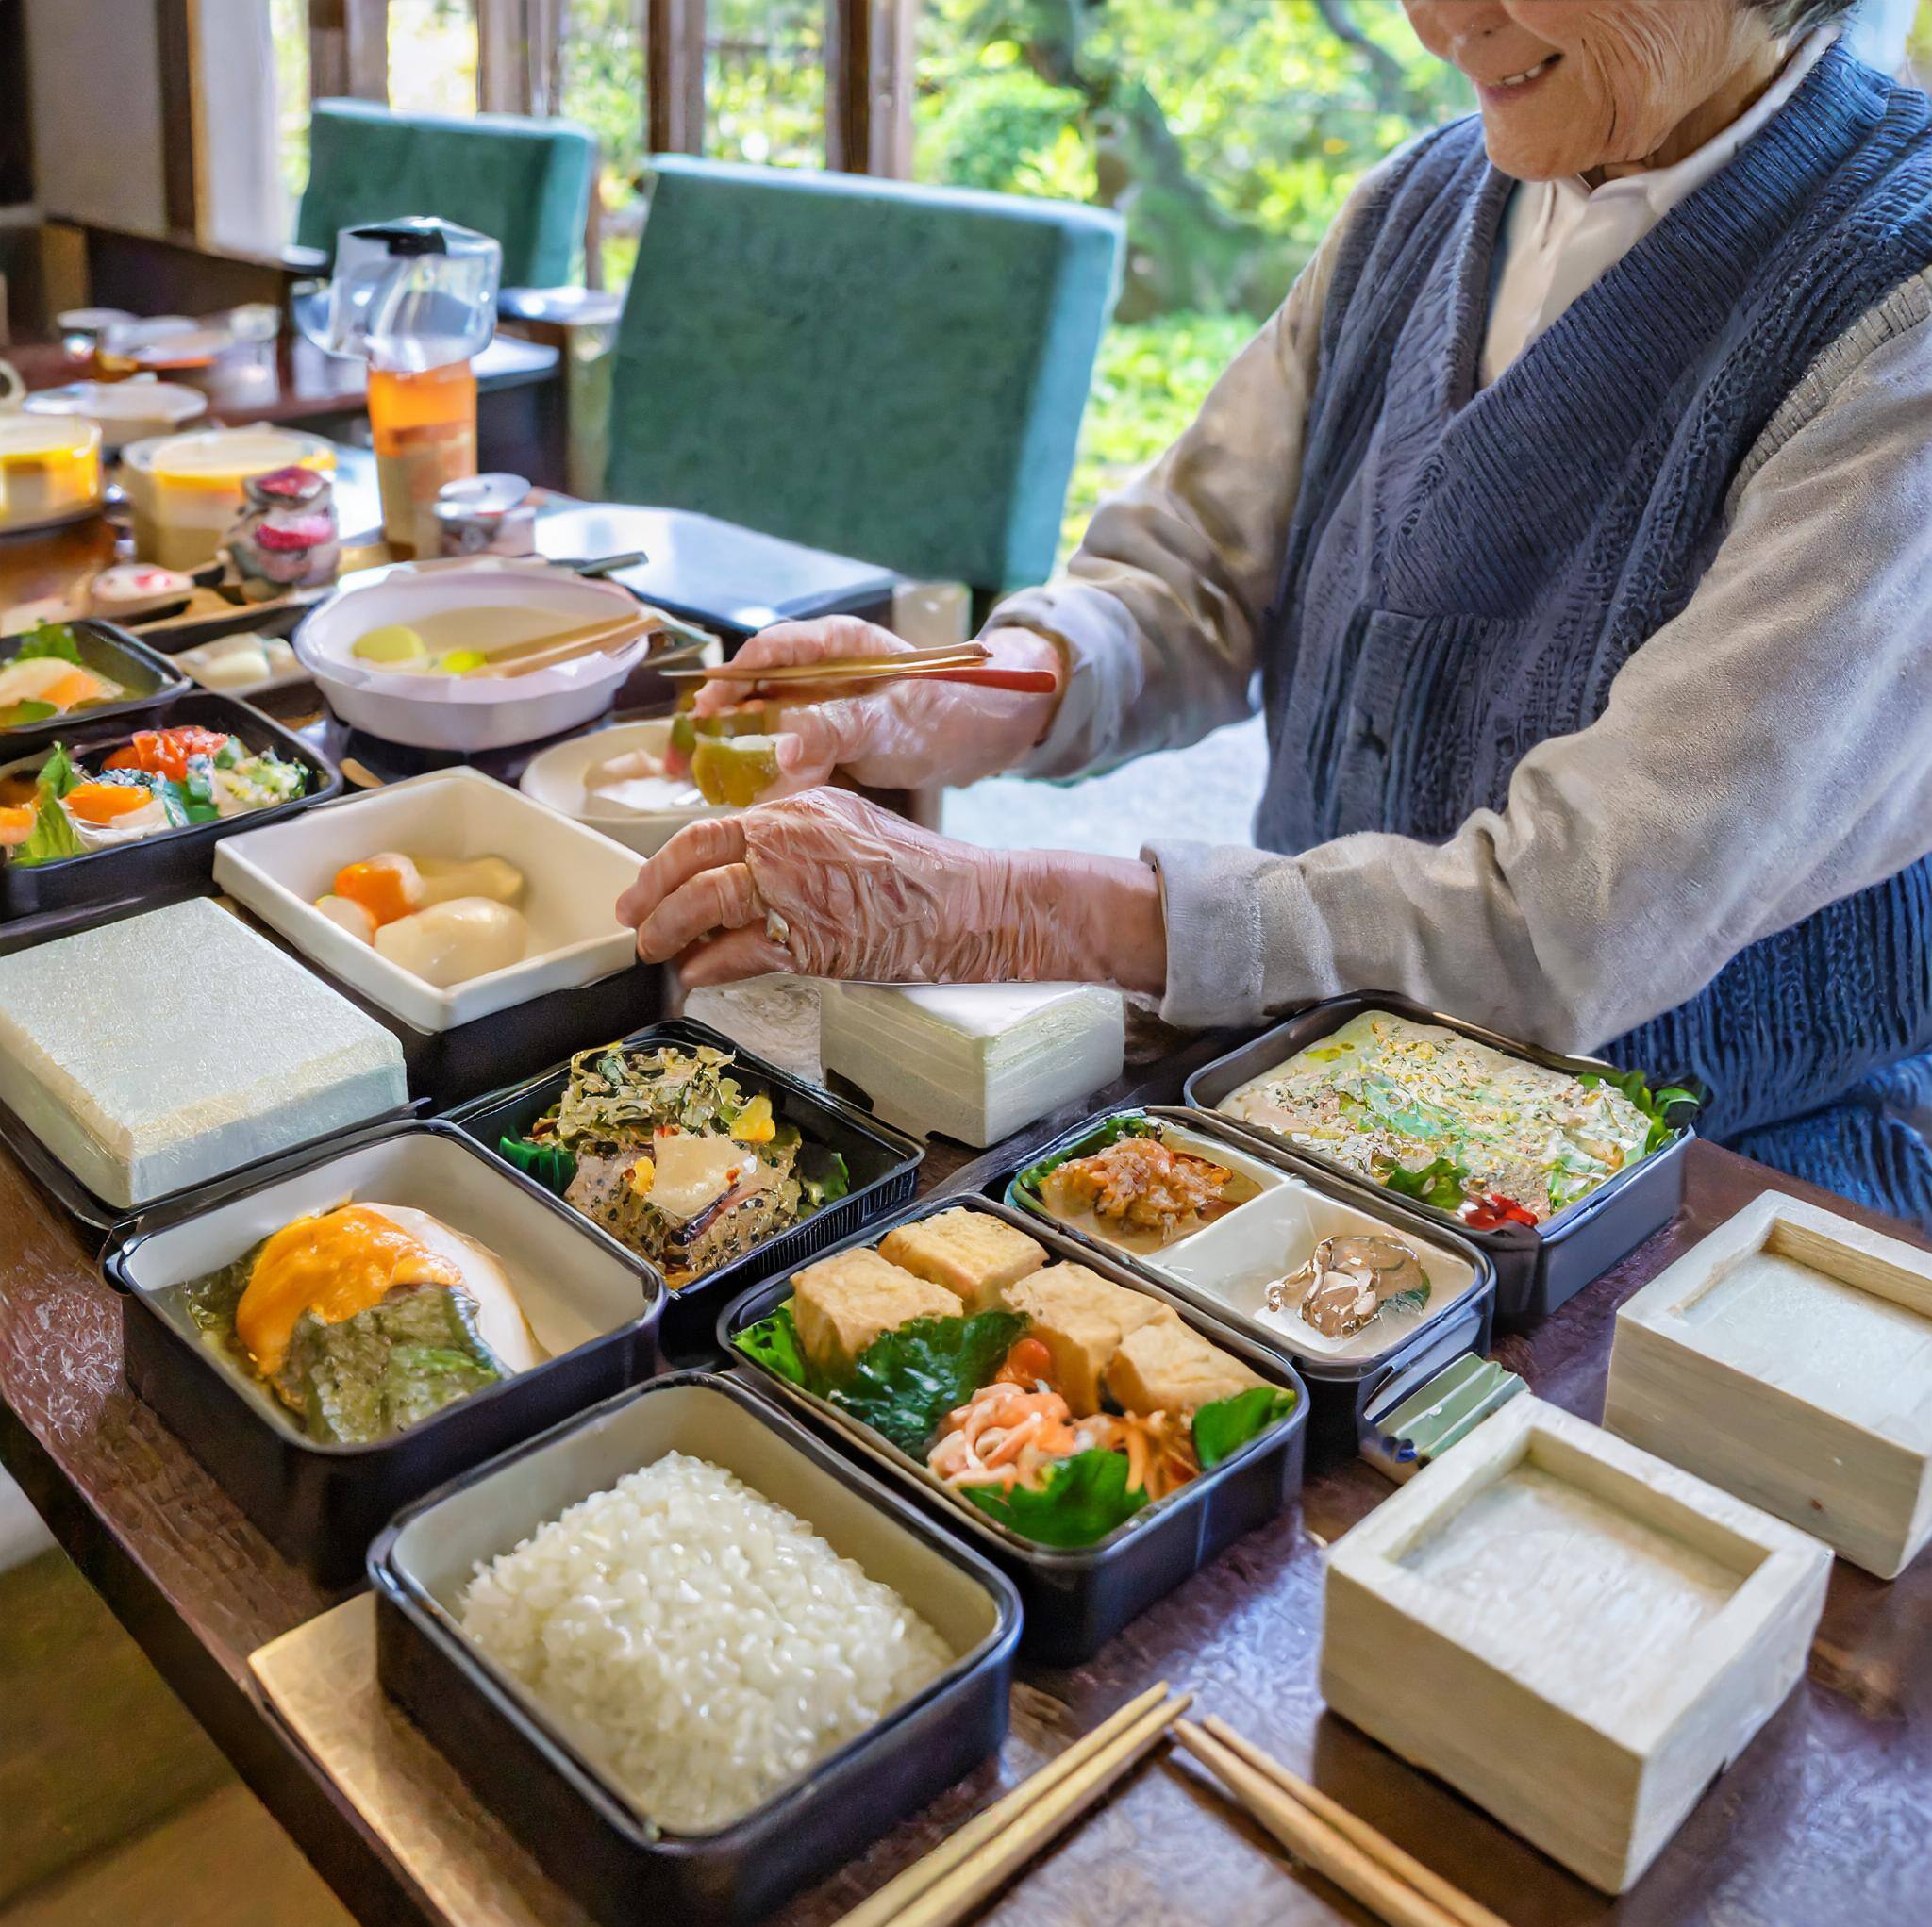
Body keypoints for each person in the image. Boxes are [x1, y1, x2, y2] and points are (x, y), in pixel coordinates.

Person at [618, 0, 1932, 1226]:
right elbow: (1189, 574)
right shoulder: (1417, 205)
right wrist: (965, 688)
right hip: (1298, 1115)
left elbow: (1569, 912)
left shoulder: (1898, 311)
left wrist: (1019, 911)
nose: (1435, 21)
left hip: (1719, 1203)